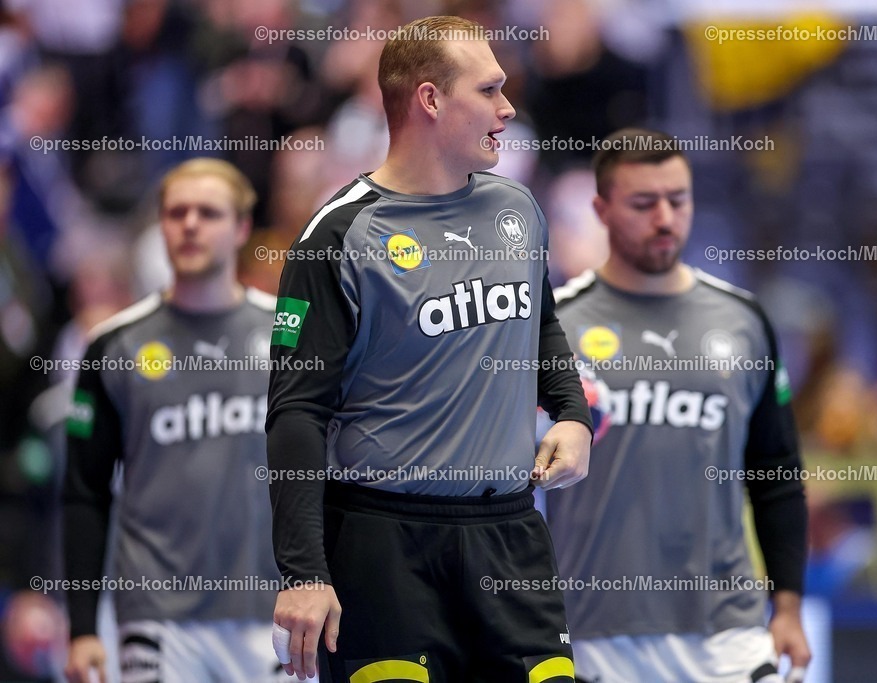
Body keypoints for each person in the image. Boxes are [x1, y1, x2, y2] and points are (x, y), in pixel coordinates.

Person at [265, 14, 593, 683]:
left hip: (509, 535)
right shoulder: (339, 235)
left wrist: (571, 413)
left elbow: (540, 324)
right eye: (490, 90)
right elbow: (295, 413)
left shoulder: (518, 210)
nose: (508, 109)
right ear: (431, 100)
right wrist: (303, 572)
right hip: (384, 545)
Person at [545, 128, 812, 683]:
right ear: (602, 209)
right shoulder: (556, 327)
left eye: (678, 200)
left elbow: (777, 473)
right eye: (644, 203)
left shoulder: (744, 321)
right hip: (596, 636)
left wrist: (787, 607)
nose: (665, 218)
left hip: (728, 633)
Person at [62, 158, 296, 683]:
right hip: (157, 615)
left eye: (208, 213)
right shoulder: (112, 347)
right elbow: (84, 491)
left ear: (240, 229)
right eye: (177, 213)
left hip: (273, 612)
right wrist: (81, 629)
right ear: (160, 227)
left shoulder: (289, 337)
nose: (190, 224)